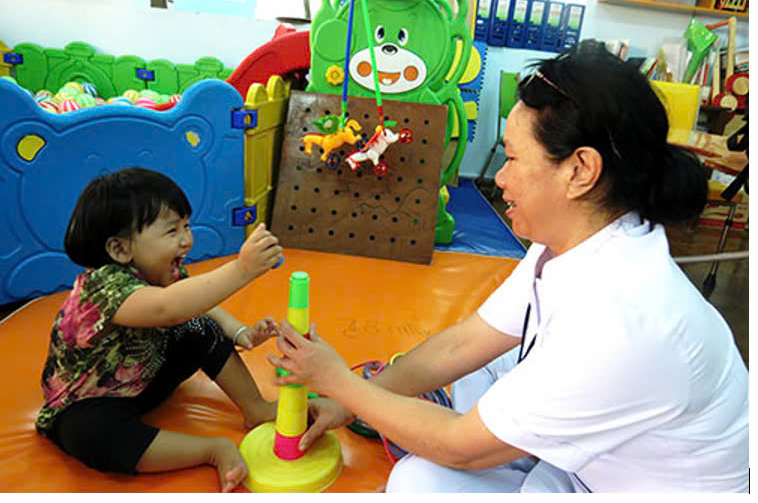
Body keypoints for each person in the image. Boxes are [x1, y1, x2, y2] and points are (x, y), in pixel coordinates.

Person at [268, 42, 749, 492]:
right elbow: (465, 342)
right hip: (594, 455)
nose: (499, 177)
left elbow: (460, 448)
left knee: (419, 483)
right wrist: (347, 399)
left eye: (513, 158)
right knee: (488, 361)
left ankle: (471, 430)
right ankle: (468, 426)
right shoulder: (570, 242)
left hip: (630, 487)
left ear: (580, 170)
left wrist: (339, 382)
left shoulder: (622, 321)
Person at [36, 167, 284, 492]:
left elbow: (198, 305)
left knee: (196, 325)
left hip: (142, 380)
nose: (186, 239)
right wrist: (242, 269)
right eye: (172, 231)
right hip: (92, 401)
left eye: (186, 226)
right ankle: (211, 450)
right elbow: (167, 308)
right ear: (120, 249)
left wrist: (240, 332)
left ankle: (256, 408)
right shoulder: (103, 286)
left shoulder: (161, 272)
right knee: (88, 433)